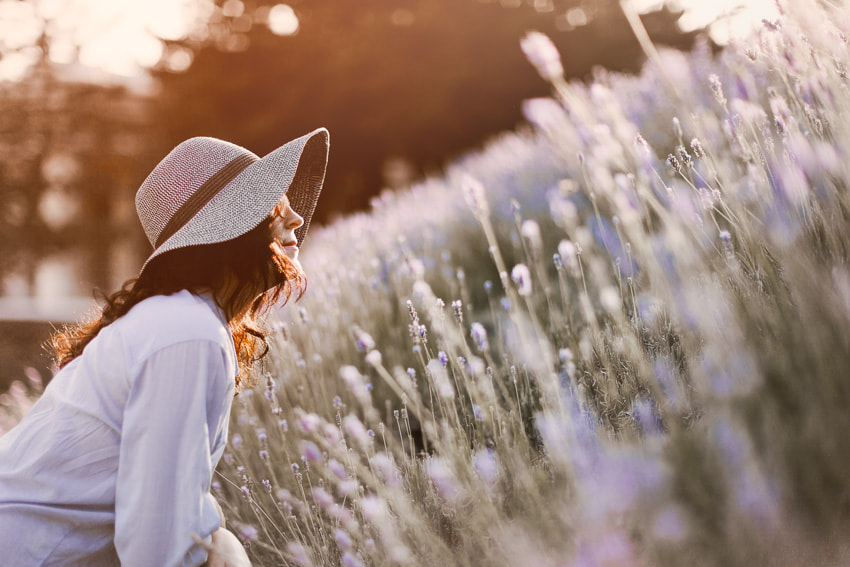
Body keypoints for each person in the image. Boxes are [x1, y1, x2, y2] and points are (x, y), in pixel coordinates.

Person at [0, 128, 330, 566]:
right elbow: (158, 547)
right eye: (272, 204)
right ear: (228, 230)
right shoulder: (186, 331)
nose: (295, 219)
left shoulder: (180, 321)